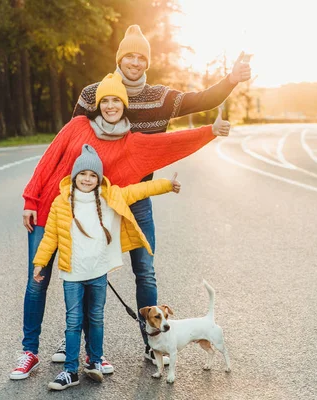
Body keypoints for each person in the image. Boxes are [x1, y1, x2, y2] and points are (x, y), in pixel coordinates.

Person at [9, 71, 231, 380]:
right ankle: (29, 351)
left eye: (117, 100)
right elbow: (49, 160)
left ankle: (89, 353)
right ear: (98, 104)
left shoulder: (132, 144)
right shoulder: (77, 127)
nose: (111, 106)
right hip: (48, 211)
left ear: (124, 105)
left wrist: (210, 131)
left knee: (85, 284)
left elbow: (170, 144)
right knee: (38, 281)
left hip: (83, 226)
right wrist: (30, 200)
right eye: (105, 100)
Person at [69, 24, 251, 364]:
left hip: (137, 200)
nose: (135, 62)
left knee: (145, 271)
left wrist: (231, 79)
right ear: (119, 59)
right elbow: (71, 145)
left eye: (141, 57)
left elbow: (202, 99)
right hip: (96, 202)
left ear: (146, 63)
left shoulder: (159, 98)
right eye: (129, 56)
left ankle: (151, 347)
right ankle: (74, 345)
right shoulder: (93, 94)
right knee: (85, 273)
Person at [33, 144, 181, 391]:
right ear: (74, 176)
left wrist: (166, 184)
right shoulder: (61, 203)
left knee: (97, 319)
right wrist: (40, 263)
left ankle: (95, 362)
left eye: (93, 175)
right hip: (72, 274)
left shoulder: (109, 197)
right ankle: (70, 370)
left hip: (98, 274)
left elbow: (139, 189)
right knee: (73, 321)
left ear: (99, 179)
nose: (88, 179)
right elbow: (50, 237)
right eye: (83, 174)